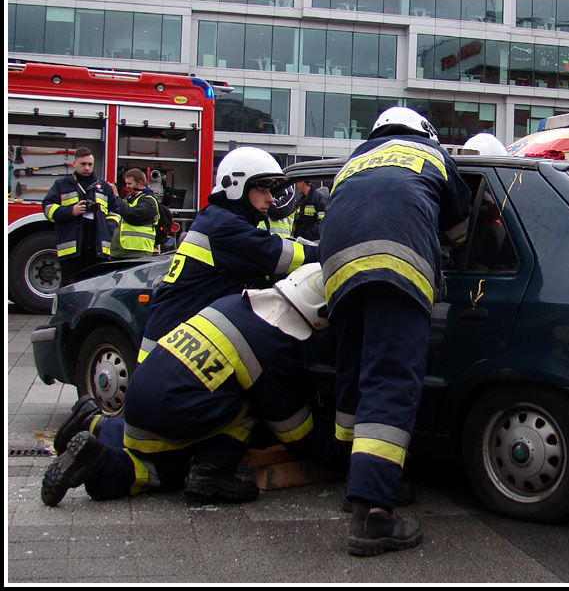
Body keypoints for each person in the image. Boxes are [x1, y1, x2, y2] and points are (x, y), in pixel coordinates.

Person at [42, 264, 343, 506]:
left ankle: (92, 422)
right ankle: (106, 466)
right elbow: (295, 433)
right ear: (318, 317)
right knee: (166, 467)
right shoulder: (274, 349)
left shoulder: (237, 302)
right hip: (169, 413)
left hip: (141, 392)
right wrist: (345, 459)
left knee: (152, 434)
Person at [318, 106, 471, 556]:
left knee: (355, 376)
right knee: (389, 381)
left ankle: (358, 484)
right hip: (396, 267)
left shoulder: (354, 160)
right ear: (424, 131)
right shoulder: (432, 154)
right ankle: (375, 515)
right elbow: (460, 230)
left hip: (338, 271)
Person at [137, 147, 318, 363]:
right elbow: (278, 254)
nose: (271, 199)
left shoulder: (221, 219)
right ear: (236, 187)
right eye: (262, 190)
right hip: (170, 358)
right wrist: (331, 250)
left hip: (182, 346)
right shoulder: (223, 226)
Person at [42, 147, 121, 285]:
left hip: (98, 250)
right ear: (74, 164)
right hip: (71, 250)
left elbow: (115, 211)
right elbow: (47, 208)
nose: (87, 168)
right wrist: (71, 211)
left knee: (94, 289)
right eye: (83, 164)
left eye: (90, 164)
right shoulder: (62, 185)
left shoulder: (103, 186)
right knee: (69, 288)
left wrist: (108, 230)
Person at [110, 168, 159, 259]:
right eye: (126, 184)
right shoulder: (129, 200)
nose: (127, 187)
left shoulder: (149, 201)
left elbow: (131, 215)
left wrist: (116, 197)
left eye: (129, 183)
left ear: (140, 183)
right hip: (121, 253)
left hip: (137, 253)